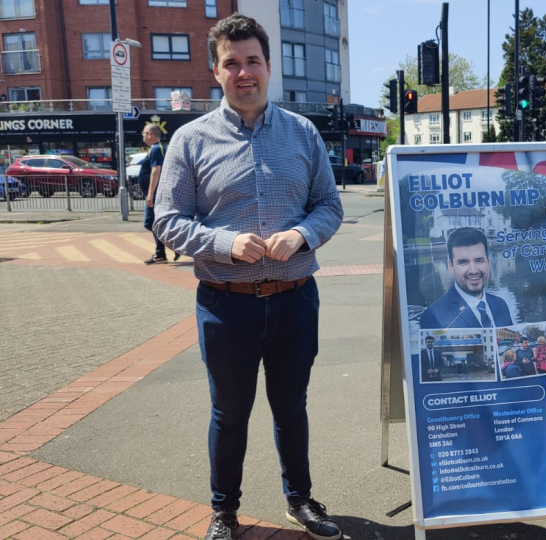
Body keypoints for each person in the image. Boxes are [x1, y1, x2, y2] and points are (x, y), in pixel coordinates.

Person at [152, 13, 344, 540]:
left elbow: (329, 204)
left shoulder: (303, 133)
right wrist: (223, 243)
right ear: (215, 72)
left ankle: (299, 500)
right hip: (225, 302)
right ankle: (224, 512)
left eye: (252, 61)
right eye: (231, 63)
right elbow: (167, 220)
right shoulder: (190, 141)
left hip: (295, 297)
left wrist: (302, 234)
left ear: (268, 66)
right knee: (229, 413)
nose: (244, 73)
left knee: (291, 408)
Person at [419, 227, 513, 329]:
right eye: (463, 262)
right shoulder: (433, 316)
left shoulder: (500, 304)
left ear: (488, 262)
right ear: (451, 266)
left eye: (479, 260)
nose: (473, 270)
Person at [139, 124, 176, 264]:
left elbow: (156, 171)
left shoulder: (156, 149)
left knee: (150, 223)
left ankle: (174, 244)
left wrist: (150, 194)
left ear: (150, 134)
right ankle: (161, 253)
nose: (142, 135)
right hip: (155, 193)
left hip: (156, 193)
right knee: (152, 223)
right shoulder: (154, 149)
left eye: (143, 133)